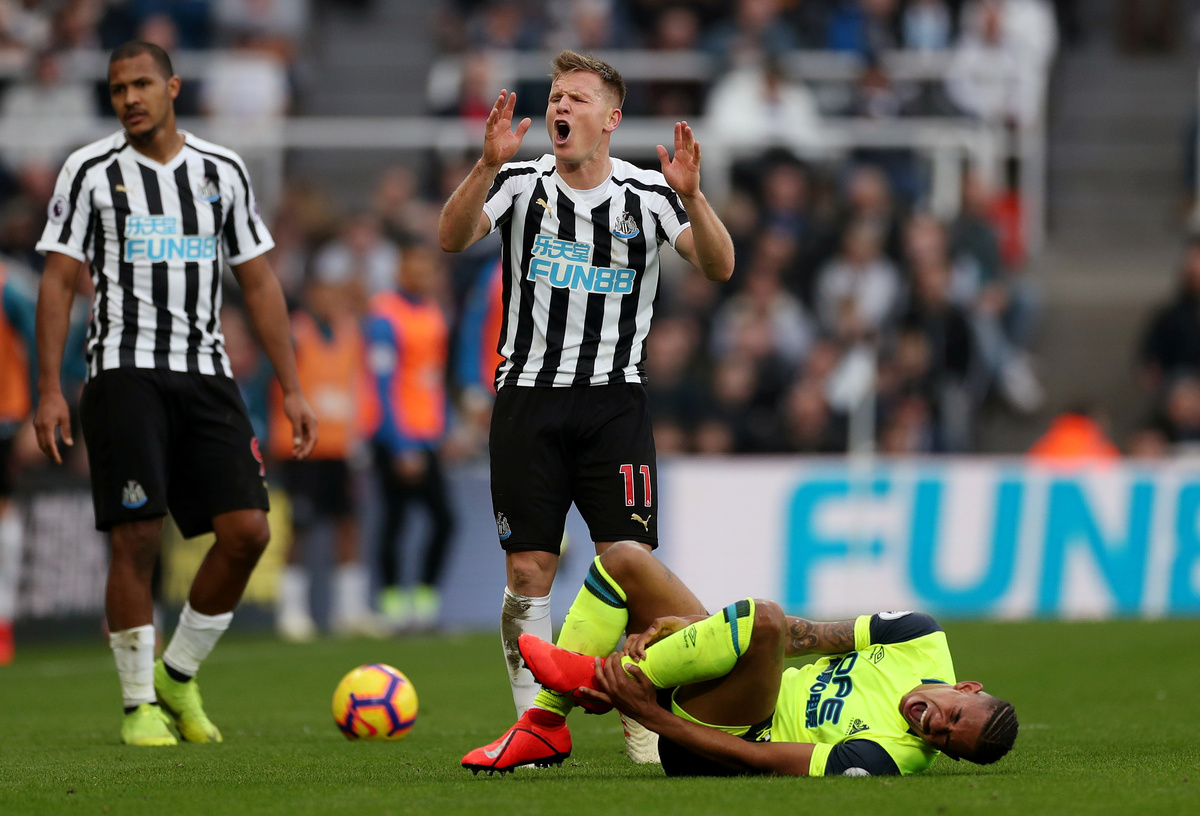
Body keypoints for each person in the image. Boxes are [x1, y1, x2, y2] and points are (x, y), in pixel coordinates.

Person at [439, 49, 735, 768]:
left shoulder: (648, 194)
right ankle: (534, 728)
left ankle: (640, 708)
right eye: (555, 97)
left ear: (612, 118)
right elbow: (450, 238)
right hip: (528, 401)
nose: (560, 108)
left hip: (613, 405)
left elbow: (720, 265)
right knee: (528, 572)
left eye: (576, 98)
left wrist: (695, 198)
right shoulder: (518, 183)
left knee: (628, 566)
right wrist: (483, 165)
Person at [32, 41, 317, 747]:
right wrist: (49, 389)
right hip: (123, 372)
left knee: (249, 531)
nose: (129, 98)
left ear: (173, 88)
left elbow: (257, 280)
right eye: (117, 89)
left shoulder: (222, 171)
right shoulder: (89, 171)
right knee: (135, 536)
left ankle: (177, 674)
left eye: (141, 84)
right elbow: (59, 281)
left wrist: (292, 386)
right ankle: (137, 706)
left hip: (207, 372)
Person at [464, 542, 1018, 776]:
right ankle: (545, 723)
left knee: (766, 619)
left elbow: (761, 760)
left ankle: (599, 678)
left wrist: (655, 719)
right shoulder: (920, 637)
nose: (936, 727)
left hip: (720, 740)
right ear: (966, 687)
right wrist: (690, 631)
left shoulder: (892, 758)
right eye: (954, 716)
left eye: (947, 742)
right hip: (726, 684)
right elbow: (803, 638)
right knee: (625, 559)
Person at [270, 272, 374, 641]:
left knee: (348, 525)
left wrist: (360, 435)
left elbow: (358, 386)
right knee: (299, 527)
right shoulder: (294, 333)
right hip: (302, 447)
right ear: (312, 295)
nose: (331, 302)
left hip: (341, 446)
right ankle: (291, 612)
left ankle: (349, 611)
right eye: (325, 294)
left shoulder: (350, 332)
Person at [363, 242, 456, 631]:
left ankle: (423, 602)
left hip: (427, 434)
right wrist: (400, 446)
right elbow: (381, 384)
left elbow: (434, 377)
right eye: (415, 267)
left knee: (444, 521)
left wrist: (446, 427)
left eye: (427, 268)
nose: (422, 275)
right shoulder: (384, 315)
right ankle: (393, 606)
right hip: (395, 436)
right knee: (395, 521)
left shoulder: (433, 313)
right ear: (400, 270)